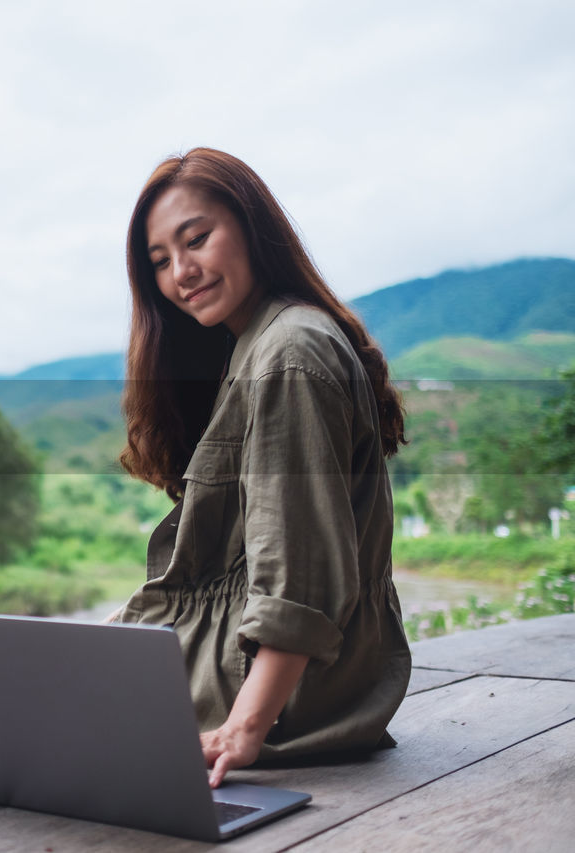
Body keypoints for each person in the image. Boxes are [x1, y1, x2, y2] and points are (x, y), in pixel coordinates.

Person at [107, 148, 411, 789]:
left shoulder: (287, 352)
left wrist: (244, 729)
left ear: (252, 226)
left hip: (287, 697)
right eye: (160, 261)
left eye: (197, 240)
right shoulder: (256, 344)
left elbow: (297, 577)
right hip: (280, 677)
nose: (181, 273)